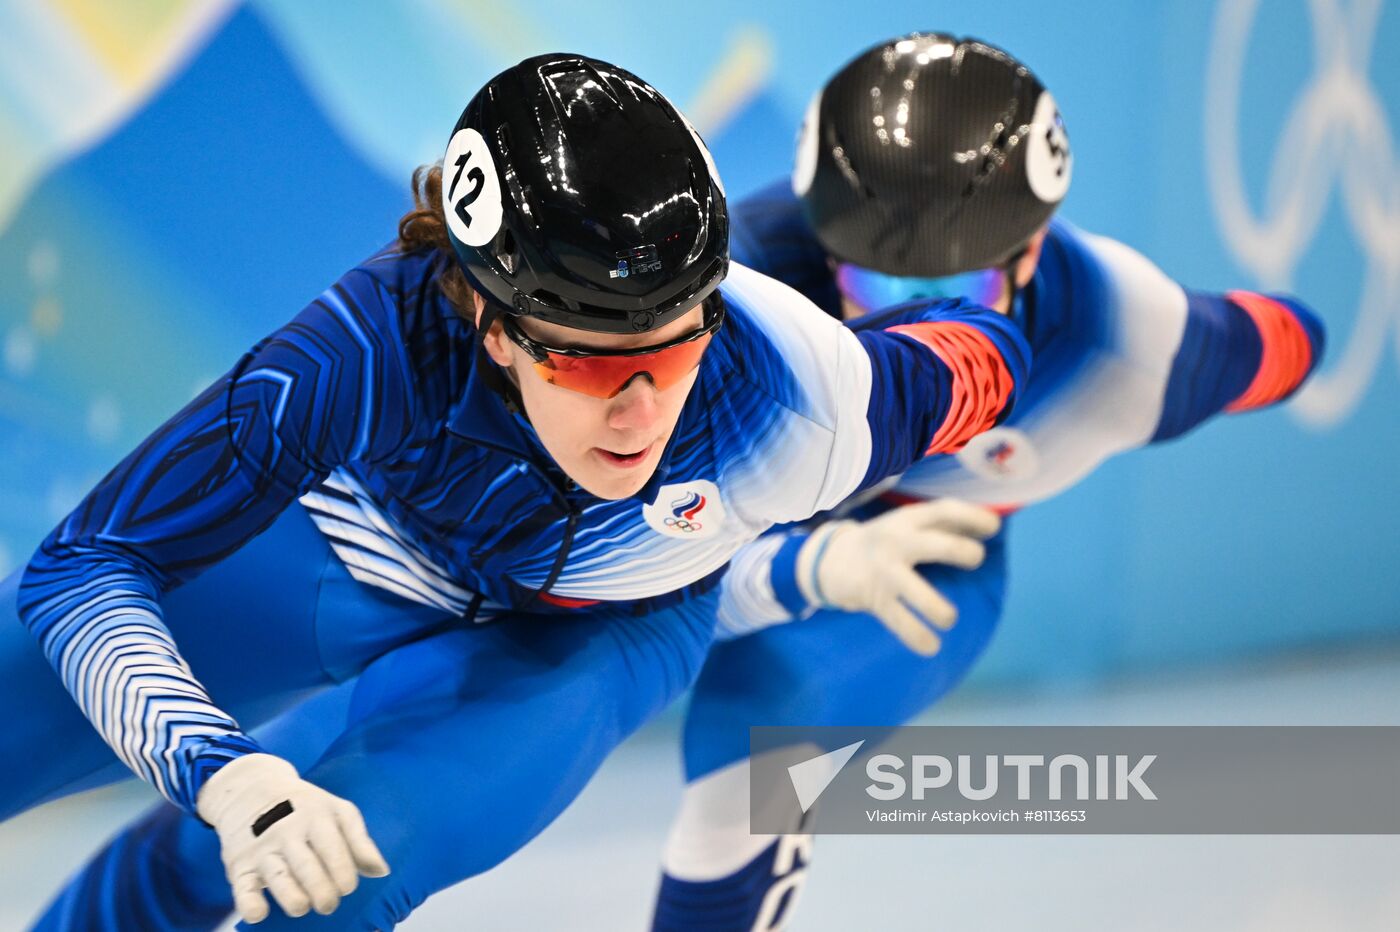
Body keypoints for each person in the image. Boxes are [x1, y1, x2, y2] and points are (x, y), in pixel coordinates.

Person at [5, 51, 1031, 930]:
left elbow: (985, 351)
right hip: (357, 552)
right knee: (206, 836)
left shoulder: (798, 397)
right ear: (490, 323)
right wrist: (219, 770)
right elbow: (86, 564)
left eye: (672, 352)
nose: (638, 410)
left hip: (584, 638)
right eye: (587, 364)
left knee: (323, 890)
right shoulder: (367, 348)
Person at [649, 33, 1325, 930]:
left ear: (1032, 252)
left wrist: (1291, 346)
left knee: (749, 770)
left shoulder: (1131, 339)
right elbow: (623, 541)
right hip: (707, 527)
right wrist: (805, 561)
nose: (910, 316)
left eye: (957, 282)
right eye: (872, 275)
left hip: (927, 558)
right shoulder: (733, 287)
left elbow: (1281, 342)